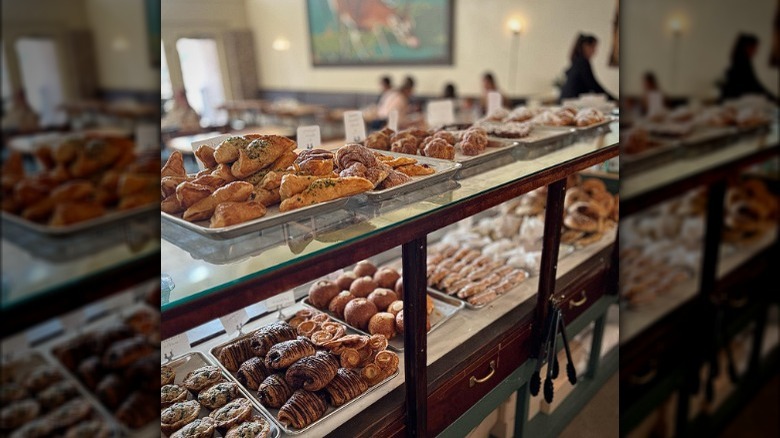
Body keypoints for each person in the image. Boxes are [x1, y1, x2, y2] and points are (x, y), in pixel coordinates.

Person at [719, 33, 777, 103]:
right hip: (734, 101)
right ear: (746, 47)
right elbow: (754, 86)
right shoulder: (742, 64)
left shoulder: (740, 62)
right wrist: (773, 98)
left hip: (732, 100)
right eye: (754, 48)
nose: (756, 51)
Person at [559, 34, 616, 101]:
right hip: (571, 102)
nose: (595, 51)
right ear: (585, 46)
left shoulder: (577, 61)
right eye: (593, 47)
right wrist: (613, 99)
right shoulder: (582, 62)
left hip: (567, 99)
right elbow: (593, 85)